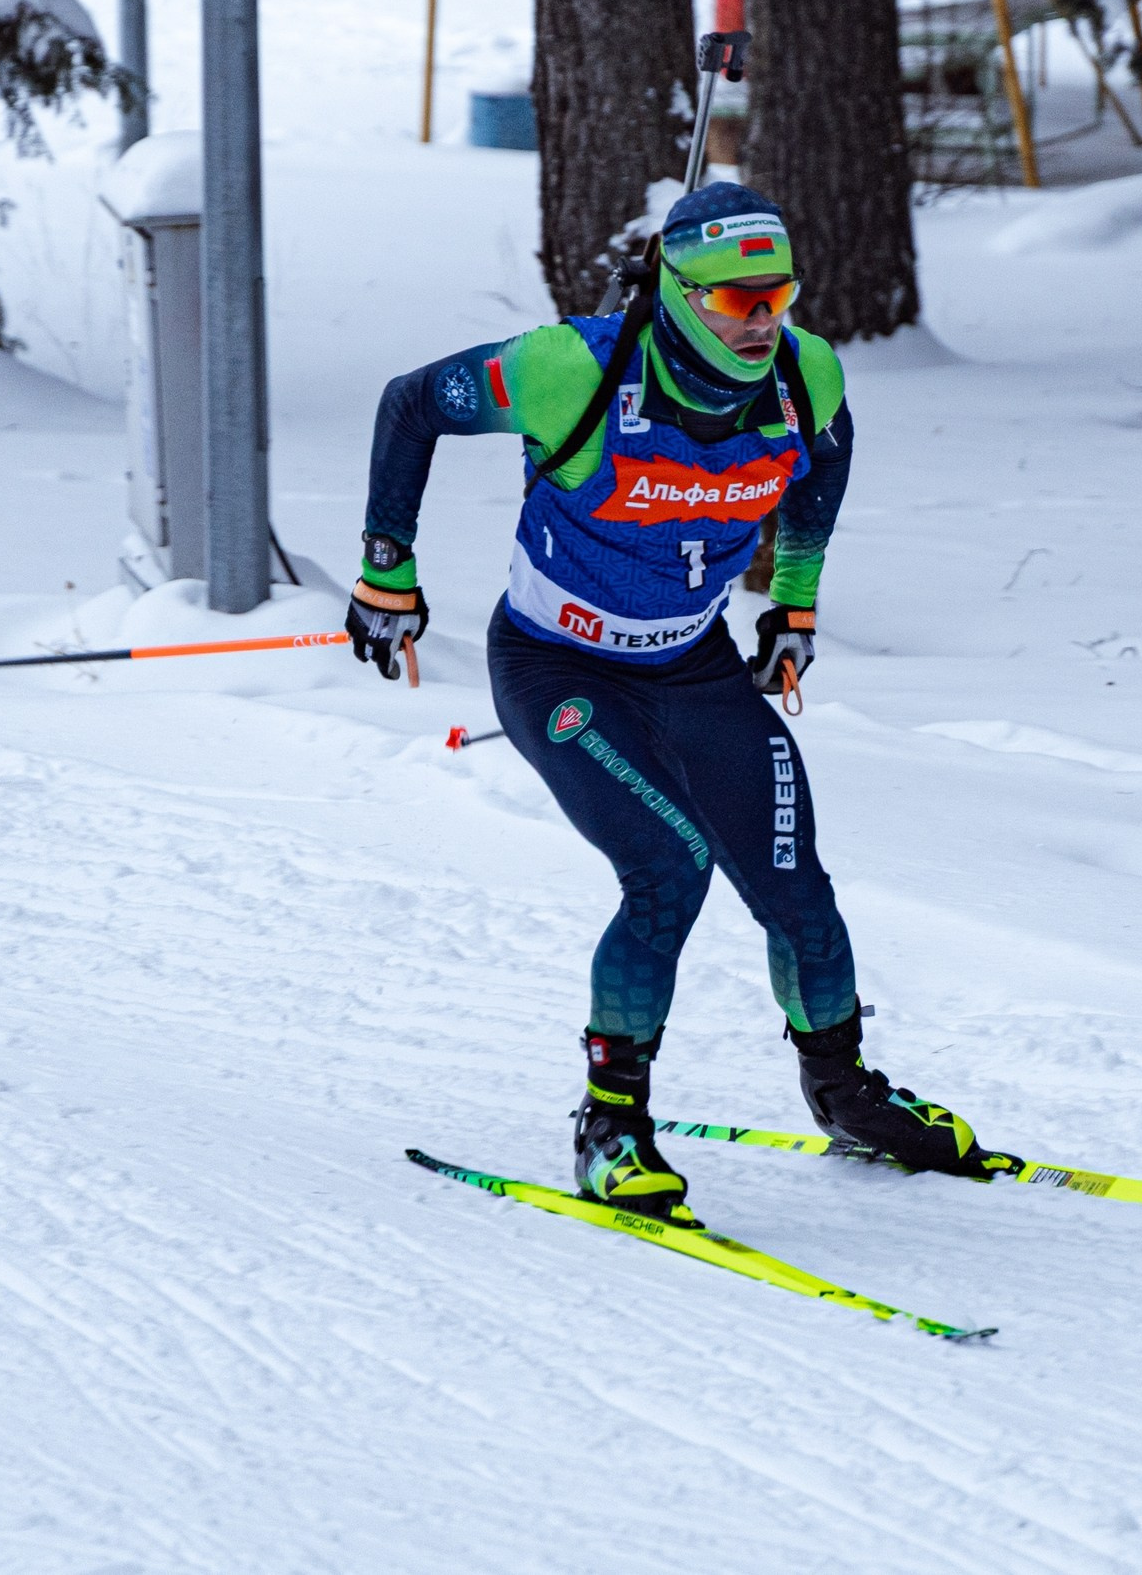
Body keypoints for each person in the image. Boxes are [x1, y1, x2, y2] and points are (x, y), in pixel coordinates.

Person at [349, 183, 993, 1225]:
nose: (762, 319)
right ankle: (611, 1123)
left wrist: (792, 605)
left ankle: (844, 1092)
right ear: (680, 293)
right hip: (561, 671)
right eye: (736, 299)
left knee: (796, 884)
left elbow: (825, 456)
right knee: (667, 868)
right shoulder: (574, 367)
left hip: (694, 666)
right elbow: (410, 400)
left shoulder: (803, 371)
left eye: (777, 294)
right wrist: (387, 570)